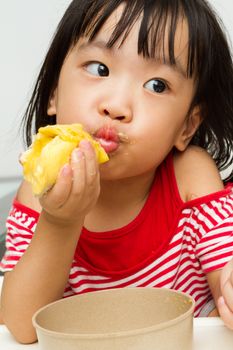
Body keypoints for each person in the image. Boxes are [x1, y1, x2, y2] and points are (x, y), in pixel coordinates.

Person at [1, 0, 233, 344]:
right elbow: (18, 327)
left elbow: (225, 275)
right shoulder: (39, 192)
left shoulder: (190, 179)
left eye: (156, 85)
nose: (116, 105)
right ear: (53, 92)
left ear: (186, 126)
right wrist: (60, 222)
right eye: (98, 69)